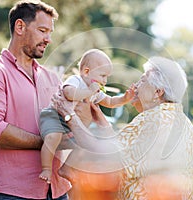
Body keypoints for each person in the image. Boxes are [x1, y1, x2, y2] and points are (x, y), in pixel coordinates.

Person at [0, 1, 78, 199]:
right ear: (20, 27)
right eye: (43, 30)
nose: (49, 39)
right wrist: (45, 143)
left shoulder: (52, 78)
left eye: (50, 32)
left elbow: (67, 122)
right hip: (14, 192)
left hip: (58, 191)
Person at [53, 56, 193, 199]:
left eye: (142, 81)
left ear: (158, 92)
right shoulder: (184, 125)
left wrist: (68, 114)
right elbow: (130, 155)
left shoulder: (153, 119)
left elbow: (102, 154)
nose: (135, 86)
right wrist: (105, 126)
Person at [39, 48, 135, 184]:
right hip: (54, 117)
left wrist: (124, 99)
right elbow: (69, 93)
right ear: (86, 72)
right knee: (53, 138)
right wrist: (88, 91)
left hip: (70, 123)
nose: (105, 81)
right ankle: (46, 168)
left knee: (85, 143)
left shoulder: (94, 90)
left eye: (107, 77)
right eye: (103, 75)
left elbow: (109, 101)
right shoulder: (76, 80)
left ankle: (66, 168)